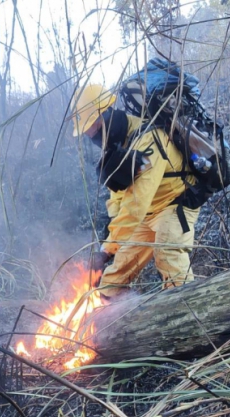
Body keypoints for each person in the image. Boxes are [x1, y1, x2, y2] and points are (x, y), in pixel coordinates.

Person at [71, 84, 198, 298]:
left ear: (107, 114)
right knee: (111, 281)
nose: (94, 137)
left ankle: (188, 314)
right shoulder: (119, 143)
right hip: (146, 215)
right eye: (88, 133)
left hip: (175, 204)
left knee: (168, 257)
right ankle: (119, 321)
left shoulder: (149, 139)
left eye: (95, 127)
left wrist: (106, 250)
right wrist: (111, 243)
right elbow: (119, 198)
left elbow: (136, 203)